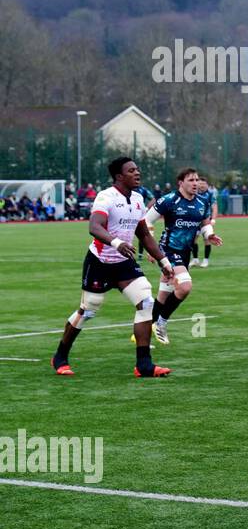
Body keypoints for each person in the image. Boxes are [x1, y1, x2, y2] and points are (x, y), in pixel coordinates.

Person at [51, 156, 175, 378]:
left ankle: (144, 365)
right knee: (89, 308)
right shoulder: (105, 197)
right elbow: (94, 226)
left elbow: (144, 234)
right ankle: (60, 356)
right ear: (119, 176)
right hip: (99, 261)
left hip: (124, 263)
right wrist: (116, 243)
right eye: (131, 170)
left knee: (146, 301)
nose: (137, 173)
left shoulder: (138, 198)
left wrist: (164, 261)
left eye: (137, 169)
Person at [145, 168, 223, 345]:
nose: (195, 183)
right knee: (185, 286)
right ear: (181, 183)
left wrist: (209, 234)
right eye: (191, 180)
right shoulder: (169, 200)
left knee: (164, 295)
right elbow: (146, 221)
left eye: (196, 180)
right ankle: (161, 323)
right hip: (167, 250)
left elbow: (204, 224)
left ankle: (142, 334)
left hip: (185, 252)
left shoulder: (202, 202)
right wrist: (151, 248)